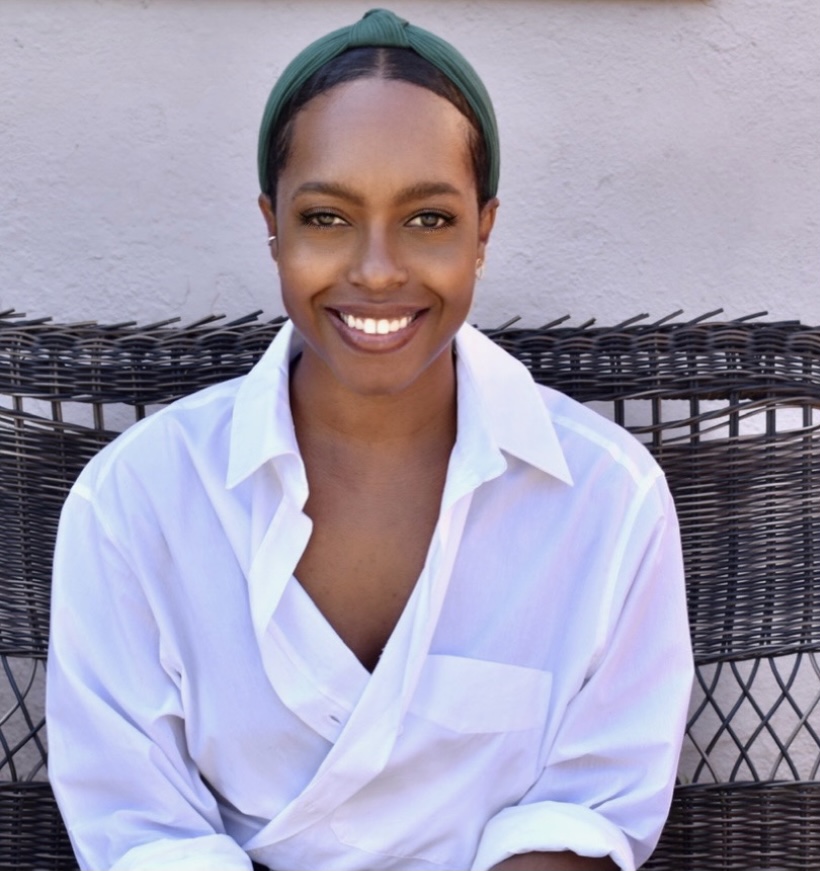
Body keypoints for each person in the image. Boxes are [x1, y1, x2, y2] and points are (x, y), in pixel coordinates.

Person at [46, 9, 693, 871]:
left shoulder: (608, 502)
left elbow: (584, 813)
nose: (378, 268)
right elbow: (143, 833)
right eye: (327, 217)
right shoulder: (135, 502)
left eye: (428, 219)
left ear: (484, 231)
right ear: (272, 224)